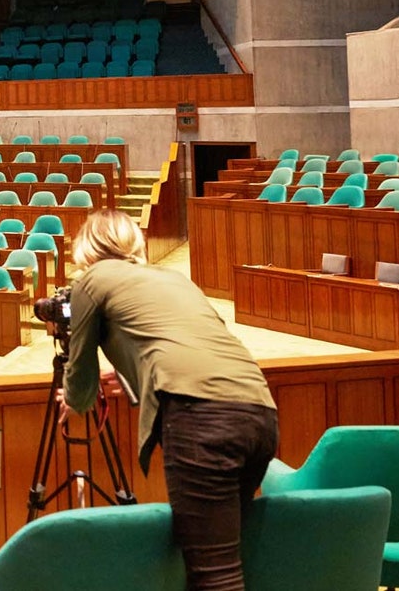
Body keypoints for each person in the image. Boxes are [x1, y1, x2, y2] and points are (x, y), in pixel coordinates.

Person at [60, 210, 277, 591]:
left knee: (215, 575)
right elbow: (190, 342)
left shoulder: (93, 279)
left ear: (87, 248)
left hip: (201, 418)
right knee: (222, 560)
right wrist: (130, 374)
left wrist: (74, 401)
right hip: (258, 411)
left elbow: (79, 373)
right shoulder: (175, 279)